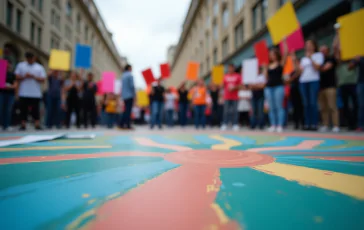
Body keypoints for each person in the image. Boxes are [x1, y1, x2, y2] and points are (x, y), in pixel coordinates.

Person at [294, 40, 324, 131]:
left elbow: (317, 68)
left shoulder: (318, 55)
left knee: (313, 103)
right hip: (303, 82)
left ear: (314, 46)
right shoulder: (303, 59)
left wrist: (311, 58)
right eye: (306, 45)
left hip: (313, 81)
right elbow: (299, 72)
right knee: (306, 103)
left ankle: (314, 124)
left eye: (310, 44)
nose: (308, 46)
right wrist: (295, 61)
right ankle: (307, 124)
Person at [14, 52, 46, 131]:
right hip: (23, 92)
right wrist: (25, 76)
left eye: (31, 58)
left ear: (34, 58)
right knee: (23, 109)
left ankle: (37, 124)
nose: (30, 59)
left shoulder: (39, 67)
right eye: (28, 58)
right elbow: (17, 77)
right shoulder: (21, 65)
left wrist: (34, 76)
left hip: (35, 93)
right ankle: (23, 125)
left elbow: (43, 79)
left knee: (35, 109)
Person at [263, 40, 288, 133]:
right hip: (269, 88)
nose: (271, 56)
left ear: (277, 55)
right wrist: (265, 68)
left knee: (279, 106)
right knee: (271, 107)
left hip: (278, 87)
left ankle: (280, 125)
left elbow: (285, 53)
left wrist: (284, 42)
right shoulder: (268, 66)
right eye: (270, 54)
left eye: (273, 54)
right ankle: (273, 124)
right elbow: (266, 77)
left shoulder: (280, 64)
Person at [318, 45, 339, 132]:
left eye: (324, 50)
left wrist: (315, 65)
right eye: (321, 50)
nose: (322, 52)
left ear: (328, 50)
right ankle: (325, 125)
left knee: (332, 106)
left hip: (330, 86)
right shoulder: (319, 61)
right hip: (321, 87)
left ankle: (336, 125)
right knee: (323, 108)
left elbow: (324, 68)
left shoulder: (331, 59)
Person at [221, 64, 242, 131]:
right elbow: (222, 86)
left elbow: (241, 85)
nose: (230, 69)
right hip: (227, 96)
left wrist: (234, 87)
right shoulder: (225, 76)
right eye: (229, 68)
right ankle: (225, 124)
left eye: (231, 68)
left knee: (235, 111)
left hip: (235, 96)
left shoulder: (238, 76)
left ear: (234, 68)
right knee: (226, 111)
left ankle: (235, 124)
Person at [286, 58, 304, 130]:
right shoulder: (291, 72)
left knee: (301, 107)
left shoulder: (301, 70)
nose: (294, 63)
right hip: (293, 90)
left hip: (301, 89)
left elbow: (299, 73)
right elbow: (288, 81)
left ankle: (303, 123)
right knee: (295, 107)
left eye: (296, 62)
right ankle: (296, 123)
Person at [348, 56, 364, 132]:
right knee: (361, 104)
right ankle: (360, 125)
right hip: (361, 82)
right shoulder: (360, 55)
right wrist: (355, 59)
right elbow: (350, 67)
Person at [0, 62, 17, 131]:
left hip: (10, 94)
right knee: (1, 109)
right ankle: (1, 125)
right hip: (2, 93)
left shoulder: (12, 74)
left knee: (8, 110)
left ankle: (6, 125)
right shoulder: (1, 73)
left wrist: (9, 87)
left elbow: (15, 85)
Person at [119, 64, 136, 130]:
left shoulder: (123, 76)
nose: (132, 70)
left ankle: (122, 124)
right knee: (128, 111)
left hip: (124, 96)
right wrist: (134, 95)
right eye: (131, 68)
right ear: (129, 68)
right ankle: (127, 125)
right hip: (129, 95)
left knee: (126, 110)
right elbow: (132, 86)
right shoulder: (130, 75)